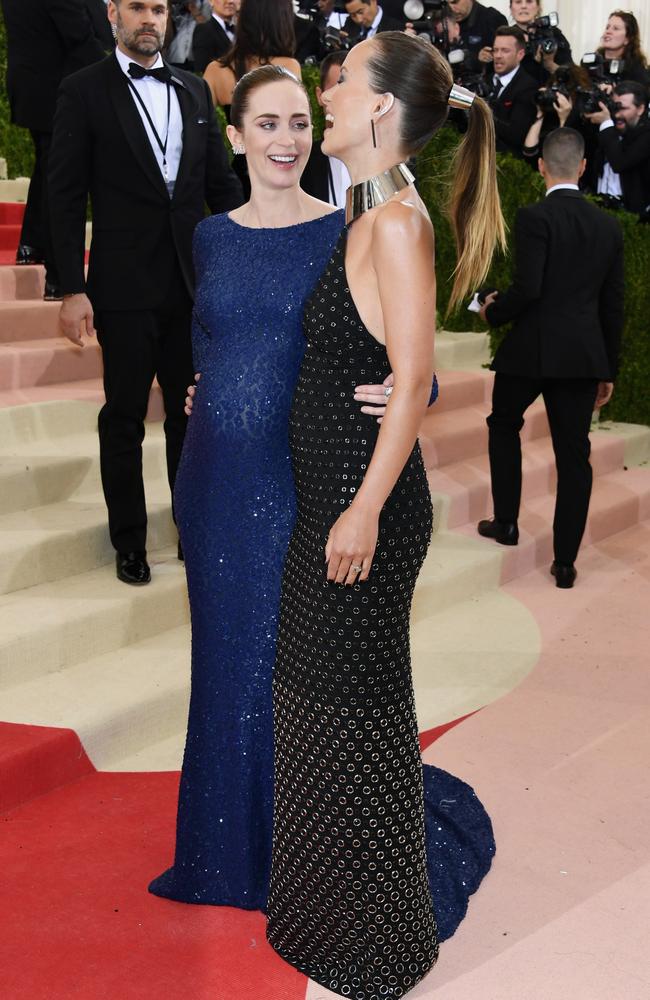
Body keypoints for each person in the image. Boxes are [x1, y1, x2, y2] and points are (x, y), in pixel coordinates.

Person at [150, 63, 495, 949]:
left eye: (300, 122)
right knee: (224, 667)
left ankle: (292, 863)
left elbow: (387, 350)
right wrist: (202, 394)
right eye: (266, 123)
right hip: (216, 482)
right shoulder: (210, 238)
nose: (286, 139)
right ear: (234, 135)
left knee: (292, 676)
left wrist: (423, 394)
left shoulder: (344, 228)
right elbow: (211, 339)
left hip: (298, 485)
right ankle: (220, 851)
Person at [265, 31, 504, 996]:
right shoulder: (370, 210)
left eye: (338, 80)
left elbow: (409, 382)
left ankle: (378, 947)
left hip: (361, 514)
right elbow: (402, 367)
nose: (324, 93)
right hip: (333, 502)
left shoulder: (397, 221)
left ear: (376, 108)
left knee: (354, 720)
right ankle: (333, 919)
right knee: (321, 714)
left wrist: (362, 508)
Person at [48, 0, 243, 586]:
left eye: (157, 8)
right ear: (113, 14)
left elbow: (220, 185)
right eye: (137, 7)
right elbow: (63, 193)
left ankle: (191, 529)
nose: (149, 19)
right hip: (123, 288)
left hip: (191, 287)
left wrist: (251, 254)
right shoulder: (83, 90)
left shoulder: (192, 90)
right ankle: (129, 541)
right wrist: (71, 289)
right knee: (125, 416)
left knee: (191, 418)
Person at [478, 128, 624, 589]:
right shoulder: (608, 226)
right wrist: (608, 370)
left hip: (531, 350)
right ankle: (565, 563)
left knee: (504, 424)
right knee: (573, 455)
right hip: (582, 357)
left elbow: (530, 288)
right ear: (583, 168)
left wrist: (492, 311)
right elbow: (612, 305)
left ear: (542, 166)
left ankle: (506, 523)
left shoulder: (533, 216)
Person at [0, 0, 108, 299]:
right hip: (56, 89)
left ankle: (31, 244)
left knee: (48, 169)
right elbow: (80, 37)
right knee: (62, 181)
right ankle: (59, 276)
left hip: (34, 87)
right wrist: (115, 75)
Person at [203, 0, 300, 198]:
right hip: (278, 169)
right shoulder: (288, 67)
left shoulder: (216, 70)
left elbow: (200, 131)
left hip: (233, 175)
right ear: (280, 21)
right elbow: (296, 128)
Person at [586, 80, 650, 216]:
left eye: (623, 108)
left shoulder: (646, 135)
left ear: (641, 109)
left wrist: (606, 123)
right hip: (598, 212)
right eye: (614, 107)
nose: (617, 114)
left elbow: (620, 163)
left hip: (633, 220)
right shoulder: (607, 130)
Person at [300, 51, 351, 206]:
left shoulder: (387, 163)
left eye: (348, 92)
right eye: (334, 89)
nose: (341, 101)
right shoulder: (303, 162)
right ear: (320, 95)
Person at [489, 26, 539, 157]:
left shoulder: (528, 86)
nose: (498, 56)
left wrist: (481, 111)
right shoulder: (485, 79)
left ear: (520, 54)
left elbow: (517, 134)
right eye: (495, 50)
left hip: (507, 163)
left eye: (505, 51)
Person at [509, 0, 572, 83]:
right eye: (518, 2)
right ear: (511, 8)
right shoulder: (506, 36)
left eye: (529, 1)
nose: (523, 6)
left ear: (538, 7)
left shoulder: (553, 34)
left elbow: (572, 75)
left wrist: (549, 64)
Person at [597, 10, 650, 93]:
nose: (608, 31)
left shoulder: (637, 73)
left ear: (627, 39)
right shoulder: (592, 64)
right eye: (607, 27)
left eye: (616, 28)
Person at [447, 0, 506, 65]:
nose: (451, 8)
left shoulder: (492, 19)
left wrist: (478, 58)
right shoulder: (443, 22)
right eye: (446, 4)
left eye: (455, 2)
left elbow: (506, 55)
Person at [192, 0, 236, 74]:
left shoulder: (241, 30)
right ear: (211, 1)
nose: (229, 1)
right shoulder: (204, 29)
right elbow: (202, 68)